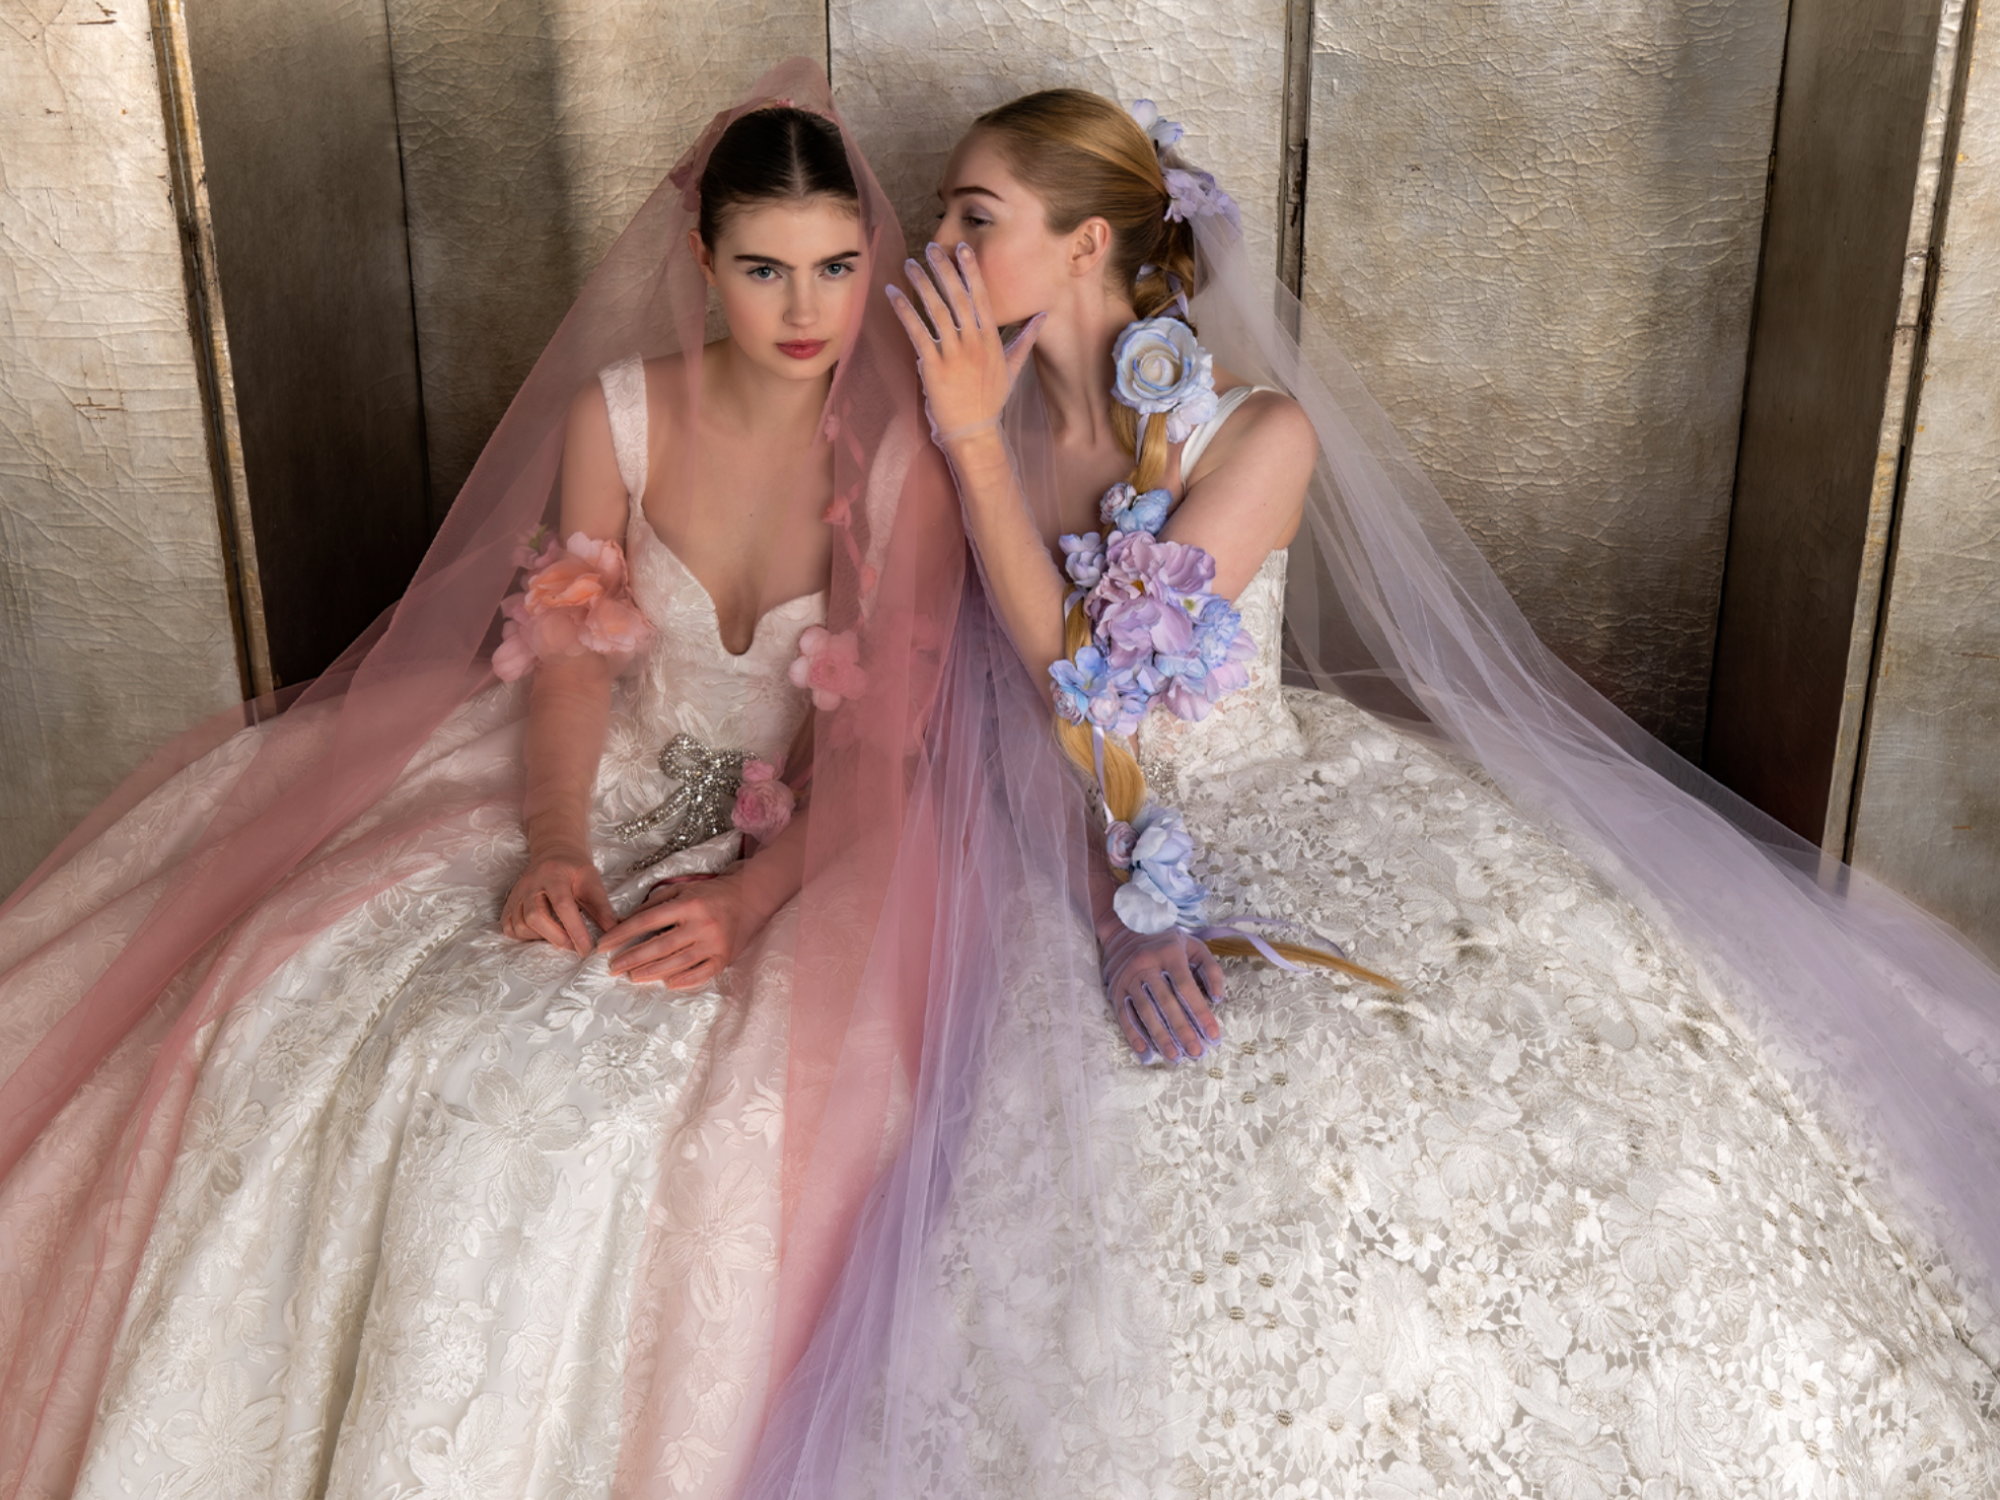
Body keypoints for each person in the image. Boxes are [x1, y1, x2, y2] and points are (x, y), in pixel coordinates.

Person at [747, 88, 2000, 1496]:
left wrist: (974, 441)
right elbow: (953, 690)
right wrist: (963, 444)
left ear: (1085, 243)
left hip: (1257, 801)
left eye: (975, 222)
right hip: (1041, 829)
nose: (940, 254)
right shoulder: (958, 428)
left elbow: (1097, 683)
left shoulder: (1255, 436)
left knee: (1441, 1094)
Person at [0, 63, 967, 1500]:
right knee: (312, 1006)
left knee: (635, 1123)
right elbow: (572, 661)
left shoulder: (902, 461)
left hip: (813, 828)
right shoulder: (621, 415)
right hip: (609, 772)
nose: (807, 310)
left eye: (837, 268)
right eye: (765, 268)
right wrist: (554, 841)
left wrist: (754, 900)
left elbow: (890, 749)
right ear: (702, 259)